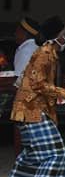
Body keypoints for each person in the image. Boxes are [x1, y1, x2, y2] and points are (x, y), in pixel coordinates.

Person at [1, 16, 65, 177]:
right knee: (56, 153)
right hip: (32, 109)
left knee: (32, 153)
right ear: (56, 37)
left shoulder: (48, 52)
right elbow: (38, 84)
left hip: (28, 109)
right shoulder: (44, 53)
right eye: (64, 34)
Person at [10, 16, 40, 159]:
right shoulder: (33, 48)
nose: (15, 34)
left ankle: (22, 172)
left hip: (25, 100)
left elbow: (21, 80)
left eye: (17, 31)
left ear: (24, 33)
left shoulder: (26, 50)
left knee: (22, 138)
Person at [12, 17, 40, 84]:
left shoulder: (25, 51)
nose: (14, 33)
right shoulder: (36, 47)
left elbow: (19, 80)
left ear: (23, 33)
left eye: (17, 30)